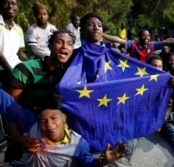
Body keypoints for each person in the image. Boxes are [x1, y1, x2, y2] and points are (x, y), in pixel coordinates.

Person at [5, 30, 75, 162]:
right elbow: (10, 108)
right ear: (49, 46)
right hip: (24, 133)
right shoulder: (25, 69)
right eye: (59, 42)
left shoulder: (70, 75)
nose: (65, 46)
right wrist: (17, 137)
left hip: (53, 138)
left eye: (70, 44)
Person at [10, 94, 126, 167]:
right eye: (43, 121)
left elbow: (88, 164)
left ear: (64, 117)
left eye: (54, 118)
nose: (49, 125)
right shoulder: (34, 128)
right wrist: (17, 137)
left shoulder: (78, 145)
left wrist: (103, 162)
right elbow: (8, 107)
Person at [102, 28, 174, 63]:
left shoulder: (152, 45)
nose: (146, 38)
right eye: (143, 36)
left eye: (148, 36)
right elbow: (118, 40)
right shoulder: (132, 44)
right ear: (138, 37)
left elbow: (167, 41)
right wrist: (102, 35)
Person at [0, 0, 28, 89]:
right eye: (6, 3)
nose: (10, 6)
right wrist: (12, 73)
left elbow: (19, 54)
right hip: (3, 70)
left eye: (13, 3)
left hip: (15, 69)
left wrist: (33, 64)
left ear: (17, 8)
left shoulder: (18, 29)